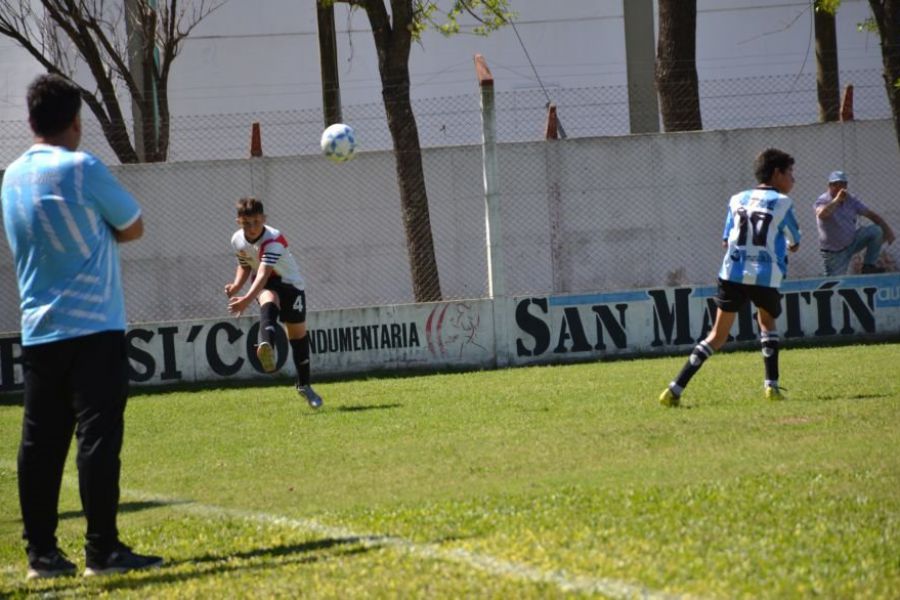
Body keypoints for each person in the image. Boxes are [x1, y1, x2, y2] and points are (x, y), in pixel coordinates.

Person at [1, 74, 163, 579]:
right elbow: (133, 224)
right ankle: (102, 550)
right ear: (76, 122)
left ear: (30, 121)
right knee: (97, 437)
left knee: (39, 443)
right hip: (95, 326)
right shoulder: (81, 168)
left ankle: (42, 555)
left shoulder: (11, 176)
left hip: (40, 329)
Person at [659, 148, 801, 407]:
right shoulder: (783, 203)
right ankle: (771, 386)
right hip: (763, 276)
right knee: (766, 323)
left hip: (732, 273)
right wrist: (787, 246)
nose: (793, 179)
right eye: (790, 172)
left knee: (717, 336)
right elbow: (796, 240)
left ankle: (674, 388)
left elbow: (726, 240)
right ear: (777, 173)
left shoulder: (737, 199)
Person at [225, 197, 324, 408]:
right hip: (268, 284)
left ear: (264, 219)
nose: (251, 228)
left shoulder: (273, 239)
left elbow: (262, 273)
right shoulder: (237, 239)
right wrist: (235, 286)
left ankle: (304, 385)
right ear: (238, 222)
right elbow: (245, 263)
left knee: (298, 337)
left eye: (256, 222)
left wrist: (243, 301)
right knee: (268, 297)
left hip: (291, 284)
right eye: (246, 223)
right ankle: (267, 345)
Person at [814, 170, 895, 275]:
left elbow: (871, 215)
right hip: (834, 253)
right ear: (829, 186)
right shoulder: (822, 200)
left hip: (852, 243)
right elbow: (822, 214)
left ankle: (868, 266)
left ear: (846, 185)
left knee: (876, 231)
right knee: (834, 284)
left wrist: (888, 231)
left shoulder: (851, 199)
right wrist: (837, 200)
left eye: (842, 184)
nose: (839, 187)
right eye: (835, 184)